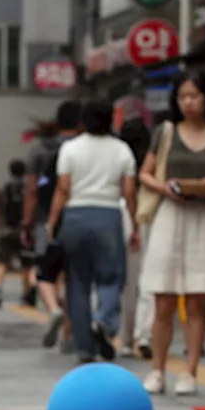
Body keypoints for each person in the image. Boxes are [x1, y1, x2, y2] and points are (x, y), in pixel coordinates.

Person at [136, 71, 205, 395]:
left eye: (194, 96)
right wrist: (164, 188)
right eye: (183, 97)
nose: (188, 103)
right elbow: (145, 173)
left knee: (198, 299)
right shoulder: (166, 132)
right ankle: (157, 369)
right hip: (171, 214)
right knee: (163, 298)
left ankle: (191, 371)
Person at [45, 98, 139, 363]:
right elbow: (129, 192)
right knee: (111, 277)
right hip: (108, 215)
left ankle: (84, 347)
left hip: (75, 215)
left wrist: (53, 222)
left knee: (77, 282)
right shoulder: (122, 150)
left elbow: (62, 188)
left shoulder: (70, 148)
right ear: (111, 119)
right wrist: (135, 224)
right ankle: (104, 321)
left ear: (82, 121)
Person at [22, 100, 82, 349]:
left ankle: (54, 308)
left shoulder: (40, 150)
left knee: (47, 270)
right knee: (73, 275)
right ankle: (69, 333)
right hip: (78, 215)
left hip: (47, 218)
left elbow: (33, 190)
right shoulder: (83, 148)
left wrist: (26, 221)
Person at [117, 117, 155, 360]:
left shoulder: (119, 156)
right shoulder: (152, 159)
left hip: (122, 214)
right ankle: (144, 336)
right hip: (149, 215)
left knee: (127, 283)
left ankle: (126, 338)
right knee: (148, 279)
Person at [0, 159, 33, 308]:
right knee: (26, 265)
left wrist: (0, 228)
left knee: (2, 263)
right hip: (24, 232)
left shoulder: (2, 190)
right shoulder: (29, 189)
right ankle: (26, 295)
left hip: (6, 232)